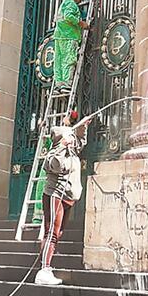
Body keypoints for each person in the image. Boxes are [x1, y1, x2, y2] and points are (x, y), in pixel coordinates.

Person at [35, 111, 89, 286]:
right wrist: (61, 147)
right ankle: (44, 270)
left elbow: (81, 141)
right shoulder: (55, 153)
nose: (72, 140)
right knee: (51, 232)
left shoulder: (73, 152)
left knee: (57, 233)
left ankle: (46, 267)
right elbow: (55, 165)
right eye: (69, 138)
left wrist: (83, 126)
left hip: (67, 198)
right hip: (55, 195)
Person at [53, 0, 90, 91]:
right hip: (69, 36)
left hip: (60, 35)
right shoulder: (71, 4)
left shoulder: (64, 3)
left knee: (59, 61)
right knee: (69, 59)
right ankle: (66, 83)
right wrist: (81, 23)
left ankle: (58, 83)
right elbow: (68, 16)